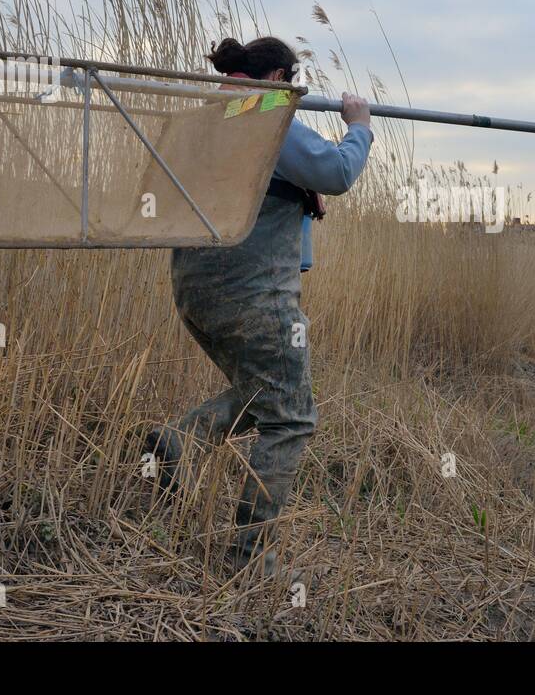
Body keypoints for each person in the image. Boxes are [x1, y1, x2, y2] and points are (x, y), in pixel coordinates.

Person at [146, 36, 372, 575]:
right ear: (276, 79)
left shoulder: (209, 119)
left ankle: (179, 441)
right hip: (254, 293)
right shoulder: (264, 113)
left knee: (264, 394)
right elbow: (335, 174)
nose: (294, 94)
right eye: (291, 84)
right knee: (290, 417)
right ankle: (251, 558)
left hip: (195, 289)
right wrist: (359, 125)